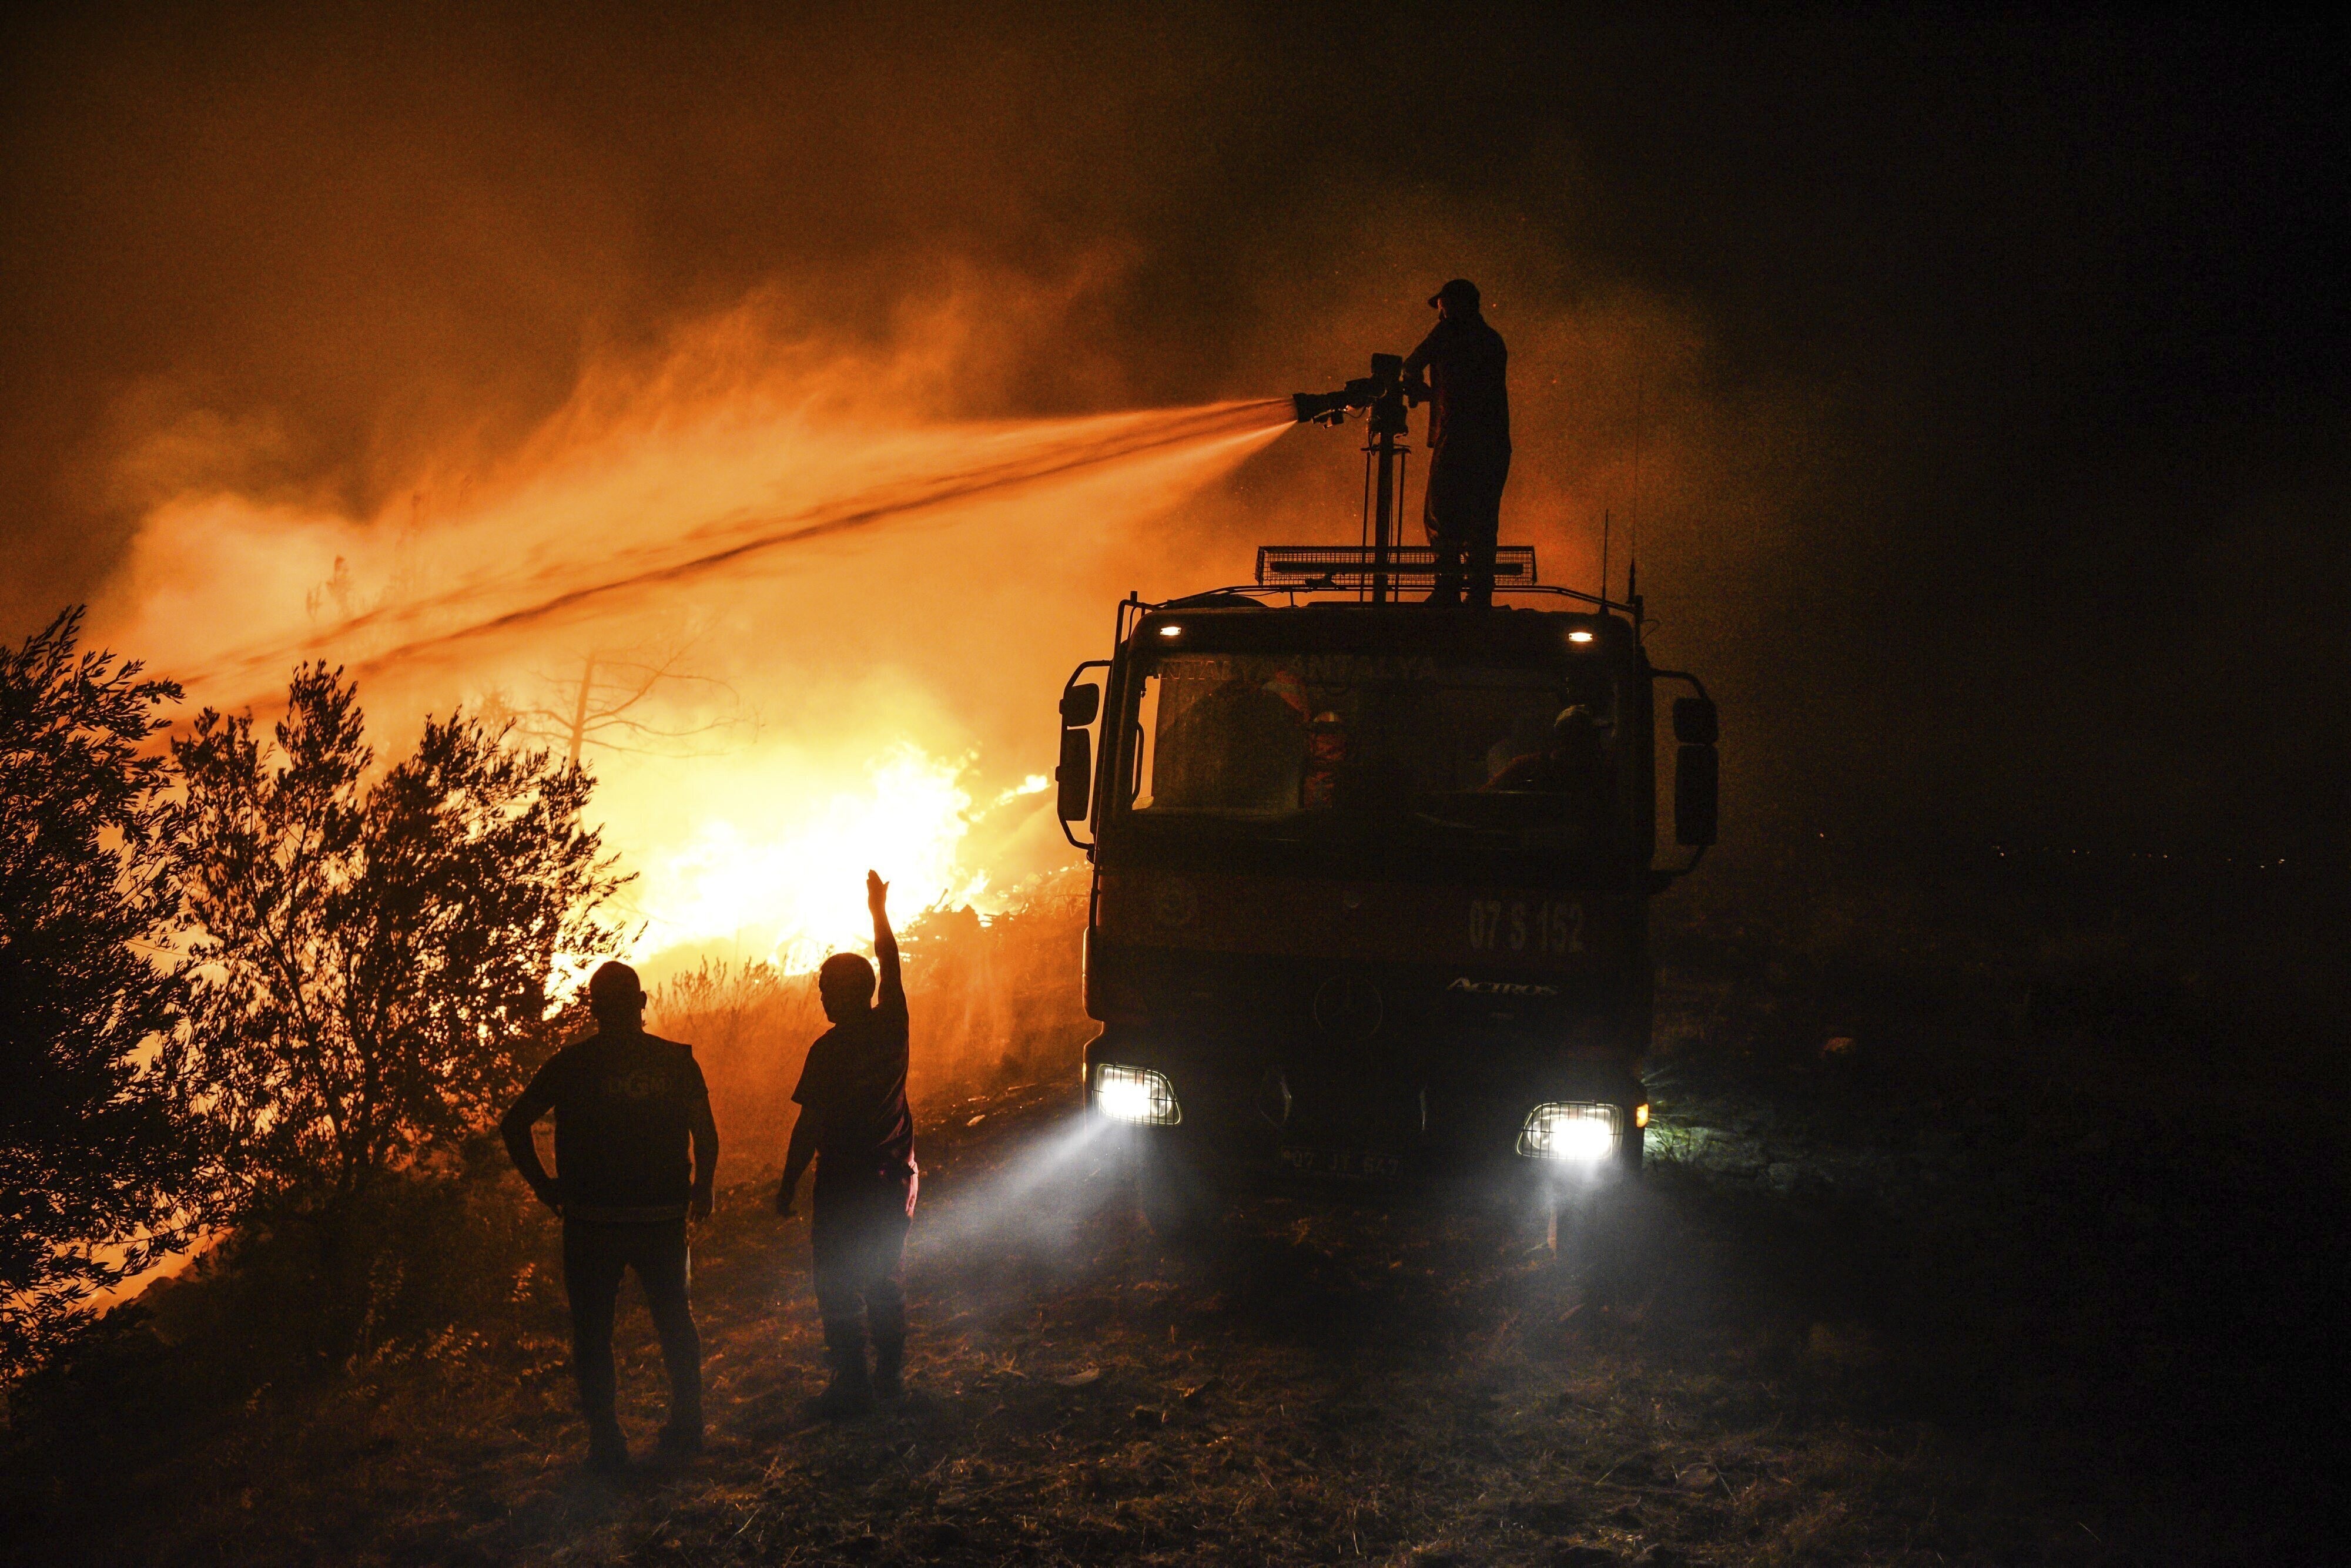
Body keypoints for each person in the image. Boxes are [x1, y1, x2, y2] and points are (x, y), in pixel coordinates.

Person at [501, 960, 718, 1474]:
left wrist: (545, 1187)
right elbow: (705, 1134)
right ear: (642, 1003)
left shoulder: (571, 1065)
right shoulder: (675, 1061)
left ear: (593, 1008)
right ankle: (688, 1425)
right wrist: (702, 1189)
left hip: (592, 1221)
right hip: (661, 1217)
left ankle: (607, 1441)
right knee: (675, 1320)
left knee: (593, 1332)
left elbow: (514, 1125)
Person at [776, 870, 917, 1419]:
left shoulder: (828, 1052)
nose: (822, 999)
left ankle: (852, 1382)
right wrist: (878, 912)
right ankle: (889, 1377)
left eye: (827, 990)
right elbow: (891, 963)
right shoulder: (894, 1026)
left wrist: (788, 1184)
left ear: (848, 992)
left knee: (835, 1282)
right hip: (894, 1177)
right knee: (883, 1277)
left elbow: (809, 1126)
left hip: (842, 1183)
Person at [1403, 278, 1512, 608]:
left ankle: (1447, 591)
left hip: (1458, 437)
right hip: (1494, 442)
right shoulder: (1492, 340)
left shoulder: (1449, 332)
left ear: (1453, 305)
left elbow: (1412, 364)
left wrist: (1417, 389)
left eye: (1442, 307)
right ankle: (1479, 596)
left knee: (1442, 513)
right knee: (1482, 519)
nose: (1439, 314)